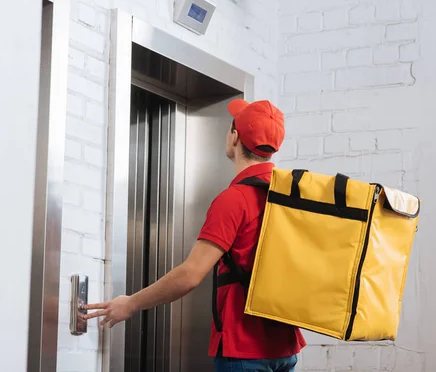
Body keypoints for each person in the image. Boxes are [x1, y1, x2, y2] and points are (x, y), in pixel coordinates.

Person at [84, 99, 306, 371]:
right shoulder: (289, 195)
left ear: (234, 137)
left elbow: (190, 275)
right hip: (285, 347)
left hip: (244, 351)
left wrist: (130, 303)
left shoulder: (235, 199)